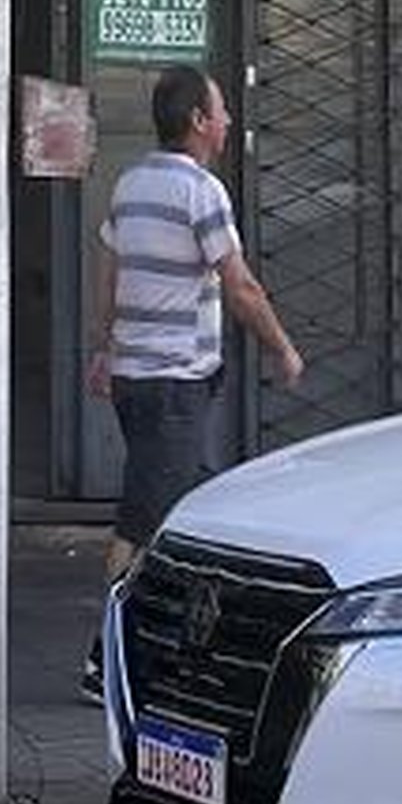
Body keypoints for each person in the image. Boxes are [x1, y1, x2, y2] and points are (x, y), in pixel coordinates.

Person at [86, 68, 303, 687]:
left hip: (138, 380)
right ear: (199, 122)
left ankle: (173, 643)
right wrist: (282, 349)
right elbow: (240, 285)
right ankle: (106, 662)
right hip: (172, 382)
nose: (231, 120)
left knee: (183, 508)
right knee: (143, 522)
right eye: (223, 110)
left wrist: (103, 347)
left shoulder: (131, 183)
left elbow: (110, 264)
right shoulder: (201, 192)